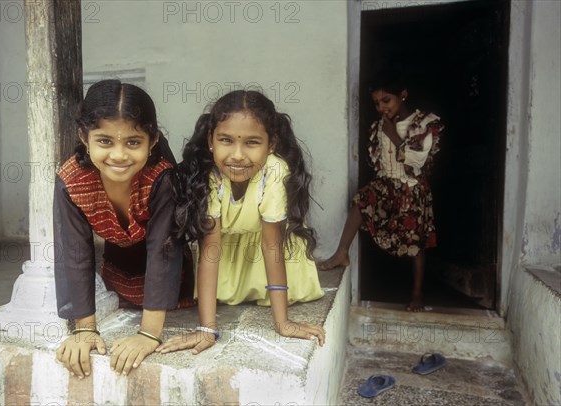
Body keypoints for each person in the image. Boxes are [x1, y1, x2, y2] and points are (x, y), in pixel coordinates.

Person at [159, 90, 326, 355]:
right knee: (222, 297)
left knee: (284, 286)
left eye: (252, 142)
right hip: (229, 247)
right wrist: (207, 329)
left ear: (271, 145)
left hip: (269, 245)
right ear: (211, 141)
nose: (237, 155)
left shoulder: (275, 171)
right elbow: (211, 252)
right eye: (226, 140)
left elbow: (272, 247)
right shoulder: (209, 175)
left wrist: (282, 323)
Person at [53, 79, 194, 378]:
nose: (119, 155)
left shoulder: (161, 177)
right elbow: (74, 253)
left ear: (152, 140)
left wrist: (149, 334)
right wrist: (85, 330)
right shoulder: (71, 180)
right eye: (104, 141)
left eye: (133, 142)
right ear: (83, 136)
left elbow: (164, 251)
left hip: (172, 279)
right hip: (117, 275)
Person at [317, 70, 444, 312]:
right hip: (387, 185)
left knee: (416, 242)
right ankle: (341, 252)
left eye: (387, 100)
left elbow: (418, 163)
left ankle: (417, 292)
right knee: (362, 199)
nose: (381, 107)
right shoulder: (380, 126)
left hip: (412, 188)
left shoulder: (424, 124)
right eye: (377, 103)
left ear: (403, 95)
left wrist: (394, 136)